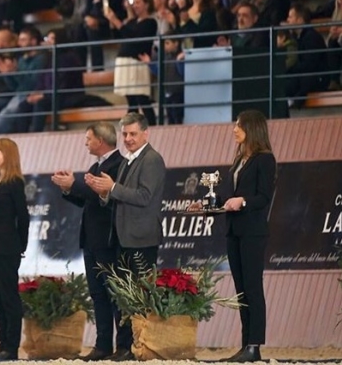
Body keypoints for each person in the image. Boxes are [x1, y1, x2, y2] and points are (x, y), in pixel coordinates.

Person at [187, 109, 276, 362]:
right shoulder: (238, 161)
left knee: (252, 287)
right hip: (233, 232)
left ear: (252, 129)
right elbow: (225, 198)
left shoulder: (265, 160)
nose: (234, 129)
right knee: (241, 291)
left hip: (253, 233)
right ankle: (245, 343)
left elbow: (264, 197)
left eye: (238, 125)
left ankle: (255, 345)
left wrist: (243, 201)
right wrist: (205, 207)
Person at [84, 112, 166, 361]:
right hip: (124, 238)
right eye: (125, 134)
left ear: (145, 134)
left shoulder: (151, 159)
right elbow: (119, 196)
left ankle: (137, 347)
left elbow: (144, 197)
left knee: (138, 297)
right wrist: (104, 193)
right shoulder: (130, 160)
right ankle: (124, 347)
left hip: (141, 238)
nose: (128, 139)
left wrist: (113, 188)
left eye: (133, 134)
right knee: (124, 297)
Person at [51, 123, 127, 362]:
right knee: (98, 294)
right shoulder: (97, 165)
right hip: (91, 241)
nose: (85, 142)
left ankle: (124, 345)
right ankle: (102, 344)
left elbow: (103, 194)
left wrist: (75, 184)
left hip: (109, 240)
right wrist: (68, 189)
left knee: (116, 295)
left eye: (88, 138)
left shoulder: (119, 165)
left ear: (101, 140)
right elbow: (88, 200)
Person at [0, 138, 29, 362]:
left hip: (8, 247)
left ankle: (12, 348)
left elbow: (23, 217)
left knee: (9, 298)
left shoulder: (14, 183)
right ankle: (2, 345)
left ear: (8, 156)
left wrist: (21, 245)